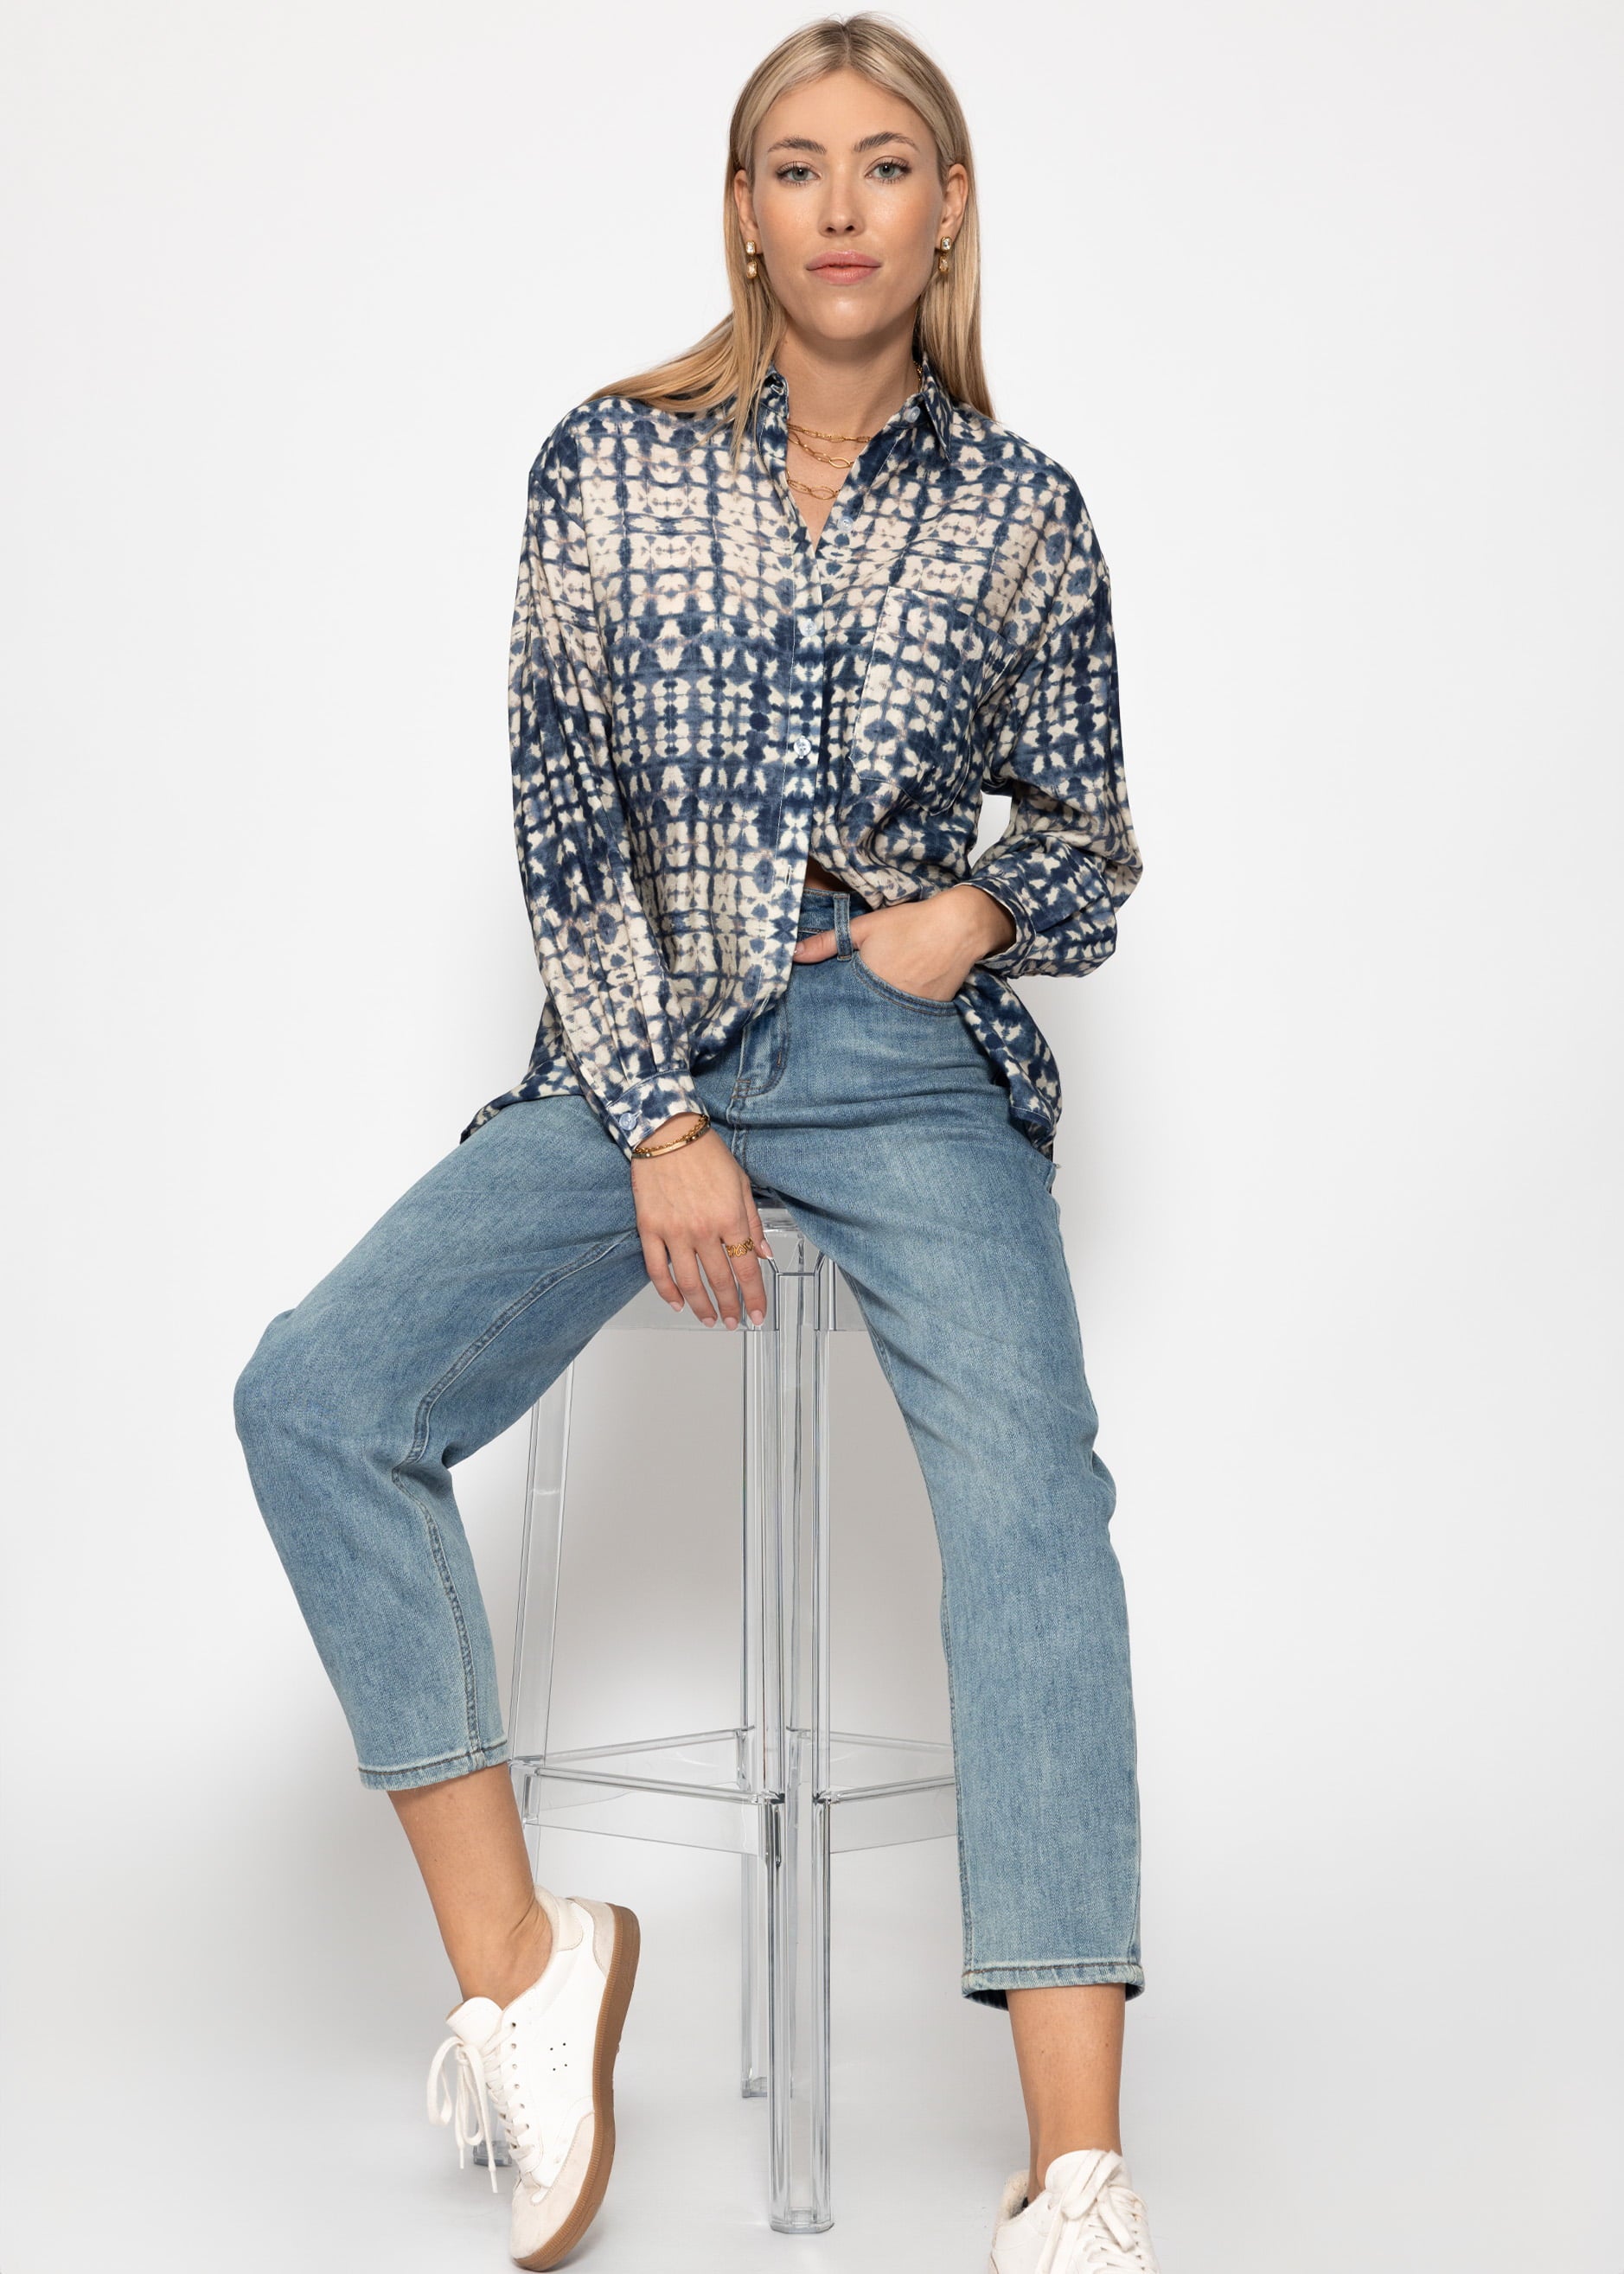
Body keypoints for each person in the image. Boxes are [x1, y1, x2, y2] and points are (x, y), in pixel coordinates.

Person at [233, 15, 1156, 2271]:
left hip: (900, 1058)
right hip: (639, 1037)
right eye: (795, 164)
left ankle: (1076, 2179)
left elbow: (1091, 839)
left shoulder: (1024, 513)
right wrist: (654, 1116)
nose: (841, 205)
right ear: (743, 211)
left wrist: (964, 918)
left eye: (886, 163)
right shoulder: (605, 467)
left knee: (1036, 1508)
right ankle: (526, 1974)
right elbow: (561, 820)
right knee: (319, 1398)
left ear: (945, 209)